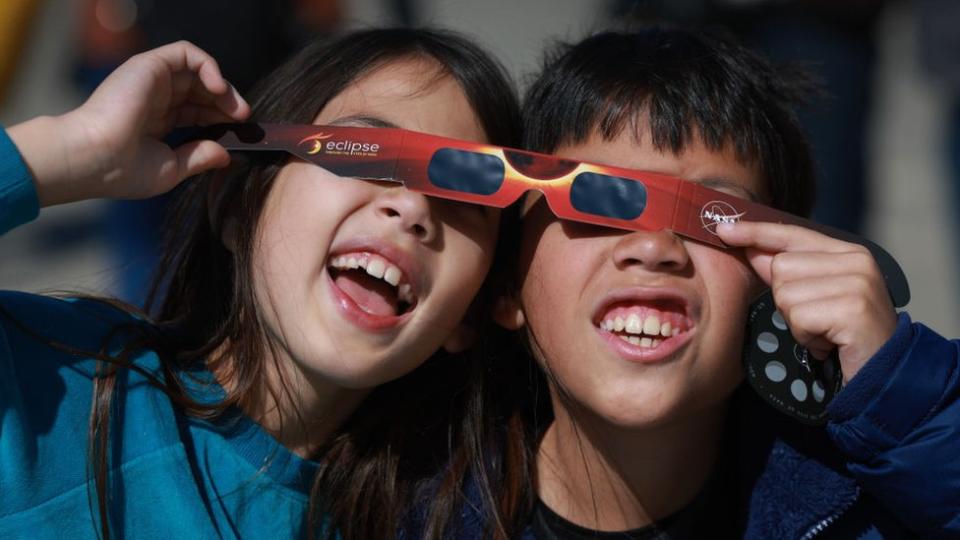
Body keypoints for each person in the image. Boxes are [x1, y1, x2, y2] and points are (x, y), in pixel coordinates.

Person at [428, 27, 959, 539]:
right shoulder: (396, 510)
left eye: (712, 215)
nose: (655, 246)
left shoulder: (877, 508)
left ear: (778, 291)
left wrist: (900, 403)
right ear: (505, 287)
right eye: (596, 198)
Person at [0, 28, 521, 539]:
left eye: (464, 196)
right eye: (363, 151)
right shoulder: (55, 383)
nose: (413, 208)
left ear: (472, 312)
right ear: (237, 208)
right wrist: (66, 152)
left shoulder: (439, 521)